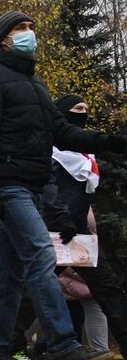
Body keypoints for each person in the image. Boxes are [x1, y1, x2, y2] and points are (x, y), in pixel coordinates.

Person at [0, 11, 126, 360]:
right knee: (42, 258)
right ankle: (63, 345)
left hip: (34, 188)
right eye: (20, 29)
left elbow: (63, 132)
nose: (29, 35)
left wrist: (111, 142)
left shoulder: (36, 85)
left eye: (31, 28)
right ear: (4, 38)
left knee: (8, 277)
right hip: (9, 188)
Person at [42, 93, 127, 347]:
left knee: (108, 289)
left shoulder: (85, 159)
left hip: (79, 236)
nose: (84, 113)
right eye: (78, 108)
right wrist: (61, 218)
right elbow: (50, 192)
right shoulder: (50, 155)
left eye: (86, 108)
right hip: (55, 233)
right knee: (33, 288)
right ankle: (17, 343)